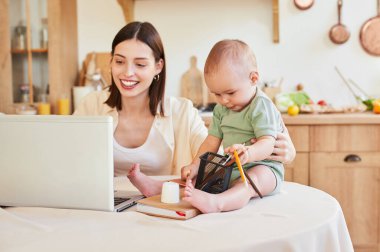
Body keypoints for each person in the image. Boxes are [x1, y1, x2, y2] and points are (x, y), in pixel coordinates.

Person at [74, 22, 296, 198]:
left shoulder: (181, 111)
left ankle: (157, 187)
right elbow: (63, 157)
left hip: (161, 206)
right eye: (119, 61)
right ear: (111, 62)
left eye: (140, 64)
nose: (127, 72)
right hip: (100, 203)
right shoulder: (90, 105)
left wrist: (280, 150)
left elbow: (214, 159)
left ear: (158, 67)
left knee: (202, 180)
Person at [181, 39, 285, 214]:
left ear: (253, 79)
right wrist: (194, 165)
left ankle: (218, 203)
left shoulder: (261, 105)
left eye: (230, 93)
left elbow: (268, 143)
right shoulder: (221, 109)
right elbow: (211, 142)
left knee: (251, 181)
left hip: (265, 169)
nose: (223, 100)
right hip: (233, 168)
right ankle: (159, 189)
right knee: (199, 179)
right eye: (217, 94)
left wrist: (249, 153)